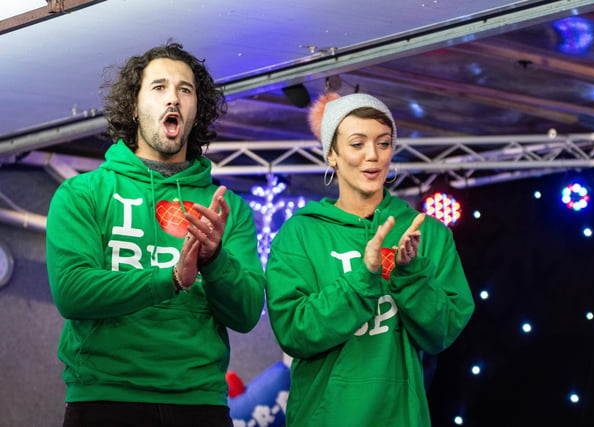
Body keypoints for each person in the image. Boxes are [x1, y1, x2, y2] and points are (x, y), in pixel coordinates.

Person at [46, 42, 266, 427]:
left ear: (197, 110)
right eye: (159, 87)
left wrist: (215, 261)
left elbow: (247, 313)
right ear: (134, 105)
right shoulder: (82, 193)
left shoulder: (224, 207)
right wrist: (169, 279)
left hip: (201, 404)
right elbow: (71, 291)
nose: (174, 99)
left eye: (185, 90)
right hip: (104, 399)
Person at [265, 92, 475, 426]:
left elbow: (442, 333)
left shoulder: (428, 233)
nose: (372, 156)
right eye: (357, 143)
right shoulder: (300, 233)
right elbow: (295, 332)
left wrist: (410, 273)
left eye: (383, 143)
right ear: (332, 154)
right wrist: (366, 273)